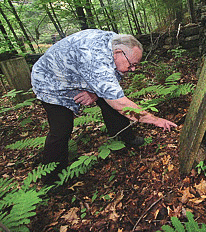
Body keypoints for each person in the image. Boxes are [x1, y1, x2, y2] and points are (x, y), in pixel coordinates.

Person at [31, 29, 177, 184]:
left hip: (77, 73)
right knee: (61, 129)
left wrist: (95, 92)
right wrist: (155, 120)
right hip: (51, 83)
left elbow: (112, 80)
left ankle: (125, 139)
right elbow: (120, 104)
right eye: (132, 64)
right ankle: (51, 179)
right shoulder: (95, 58)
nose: (133, 69)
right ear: (119, 53)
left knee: (108, 102)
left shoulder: (114, 42)